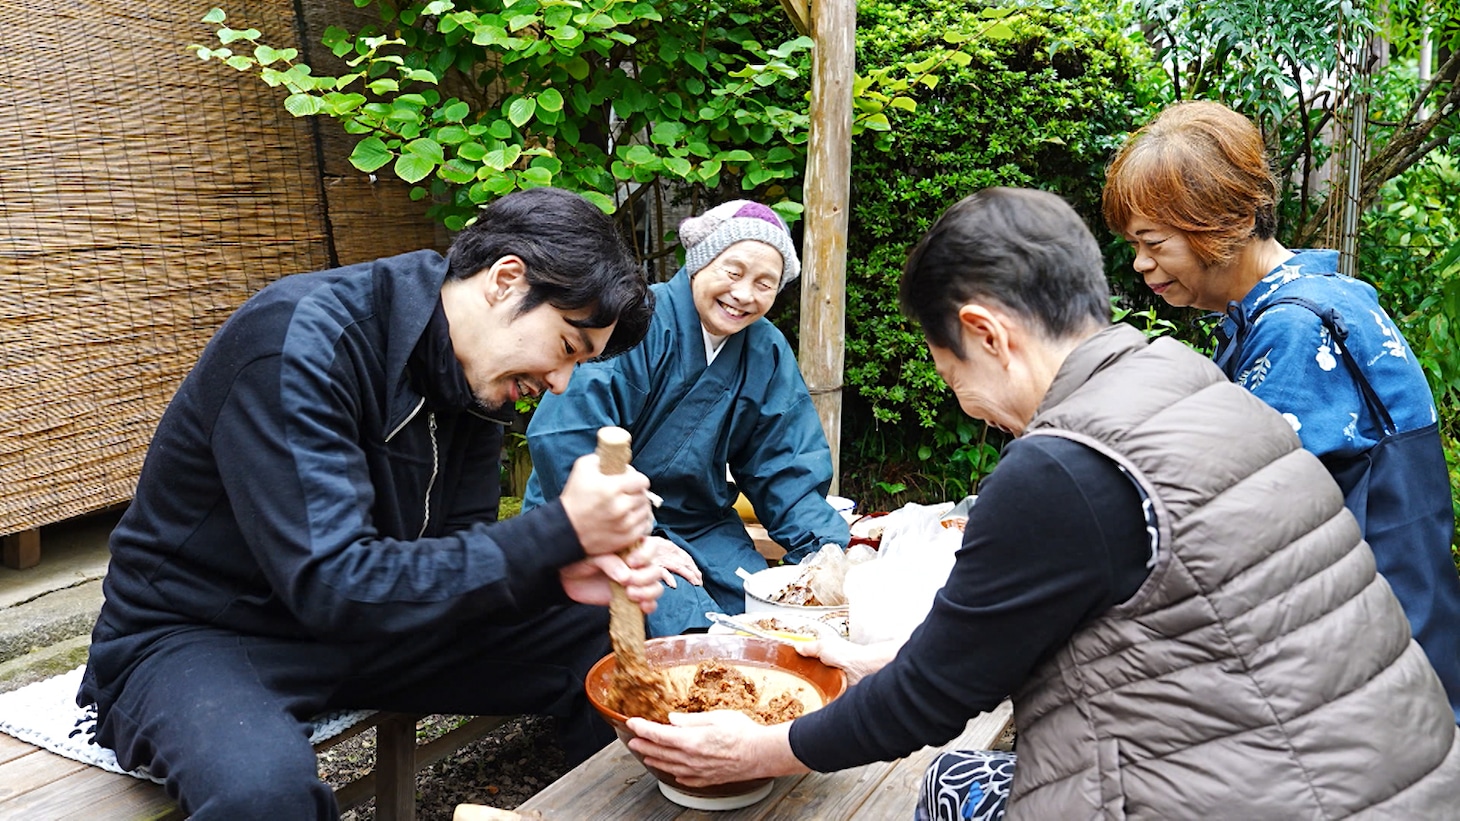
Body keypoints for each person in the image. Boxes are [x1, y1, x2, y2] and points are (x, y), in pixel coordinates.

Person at [624, 188, 1460, 820]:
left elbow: (932, 697)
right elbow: (1018, 638)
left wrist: (762, 745)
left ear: (988, 334)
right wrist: (883, 659)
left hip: (1265, 795)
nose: (966, 405)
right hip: (1386, 779)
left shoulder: (1060, 468)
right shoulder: (1185, 379)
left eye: (952, 376)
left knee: (945, 786)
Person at [77, 187, 667, 820]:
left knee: (597, 643)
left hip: (363, 628)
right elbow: (334, 584)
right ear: (505, 279)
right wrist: (558, 530)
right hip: (200, 633)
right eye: (567, 347)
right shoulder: (296, 340)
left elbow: (448, 559)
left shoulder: (473, 382)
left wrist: (556, 575)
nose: (559, 382)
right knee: (264, 798)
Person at [1102, 99, 1460, 722]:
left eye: (1152, 242)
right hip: (1402, 659)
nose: (1139, 264)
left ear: (1218, 223)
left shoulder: (1294, 331)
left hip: (1369, 690)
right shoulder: (1320, 300)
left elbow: (1243, 529)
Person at [522, 200, 849, 636]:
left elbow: (784, 464)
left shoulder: (765, 350)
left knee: (763, 611)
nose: (744, 294)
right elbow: (568, 434)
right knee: (688, 625)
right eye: (733, 272)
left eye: (765, 283)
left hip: (699, 521)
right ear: (699, 263)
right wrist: (634, 539)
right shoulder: (636, 323)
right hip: (600, 518)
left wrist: (828, 548)